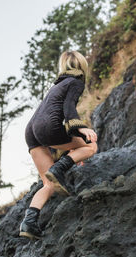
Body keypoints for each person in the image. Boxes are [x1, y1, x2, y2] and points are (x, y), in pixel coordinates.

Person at [19, 51, 98, 239]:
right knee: (90, 147)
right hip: (46, 128)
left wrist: (72, 151)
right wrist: (82, 130)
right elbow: (68, 108)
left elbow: (52, 119)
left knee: (49, 184)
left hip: (31, 131)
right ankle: (59, 168)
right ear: (82, 65)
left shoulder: (57, 86)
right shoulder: (76, 82)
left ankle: (28, 223)